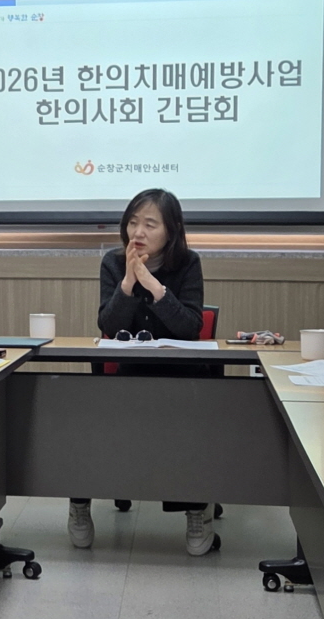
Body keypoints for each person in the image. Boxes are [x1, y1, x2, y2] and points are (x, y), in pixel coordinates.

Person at [70, 189, 216, 556]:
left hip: (180, 378)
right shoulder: (113, 262)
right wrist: (128, 283)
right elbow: (108, 324)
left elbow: (190, 327)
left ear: (172, 230)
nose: (138, 232)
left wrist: (152, 285)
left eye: (150, 224)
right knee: (80, 417)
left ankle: (197, 510)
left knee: (195, 426)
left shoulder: (188, 263)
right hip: (129, 376)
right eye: (133, 223)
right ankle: (79, 504)